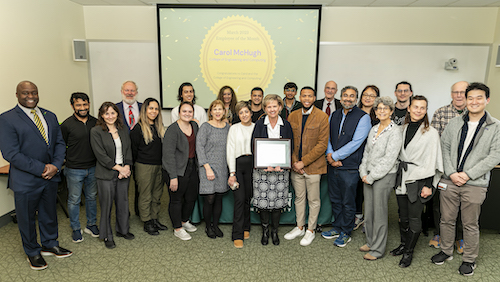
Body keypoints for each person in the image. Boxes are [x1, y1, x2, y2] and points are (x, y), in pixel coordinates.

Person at [0, 81, 72, 270]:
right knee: (27, 218)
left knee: (49, 213)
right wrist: (42, 168)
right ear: (17, 94)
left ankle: (50, 243)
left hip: (50, 177)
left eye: (34, 92)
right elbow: (11, 154)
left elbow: (58, 143)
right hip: (26, 179)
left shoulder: (49, 115)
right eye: (25, 93)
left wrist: (56, 166)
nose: (30, 96)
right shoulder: (7, 119)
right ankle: (32, 251)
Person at [431, 82, 500, 276]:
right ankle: (446, 251)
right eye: (471, 98)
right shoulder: (455, 122)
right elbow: (443, 148)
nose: (474, 101)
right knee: (446, 219)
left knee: (470, 223)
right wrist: (452, 172)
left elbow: (495, 155)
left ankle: (469, 259)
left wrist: (468, 174)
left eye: (479, 97)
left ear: (487, 100)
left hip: (475, 183)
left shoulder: (495, 126)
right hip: (449, 179)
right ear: (465, 100)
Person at [390, 95, 443, 268]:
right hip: (403, 177)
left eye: (422, 108)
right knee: (402, 216)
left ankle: (408, 252)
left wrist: (429, 185)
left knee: (414, 218)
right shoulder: (401, 129)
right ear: (409, 108)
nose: (418, 110)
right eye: (415, 107)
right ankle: (403, 244)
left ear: (426, 110)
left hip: (420, 179)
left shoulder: (431, 132)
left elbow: (433, 160)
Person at [321, 86, 371, 247]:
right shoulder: (334, 114)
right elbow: (327, 136)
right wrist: (330, 156)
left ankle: (346, 232)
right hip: (333, 166)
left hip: (349, 167)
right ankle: (337, 226)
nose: (348, 99)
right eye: (345, 95)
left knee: (348, 201)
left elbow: (357, 142)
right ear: (340, 97)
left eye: (352, 96)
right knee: (335, 199)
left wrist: (335, 156)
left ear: (356, 99)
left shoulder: (363, 117)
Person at [358, 96, 402, 260]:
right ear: (375, 112)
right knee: (368, 212)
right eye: (379, 109)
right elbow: (367, 153)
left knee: (380, 213)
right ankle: (370, 242)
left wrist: (372, 176)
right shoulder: (373, 128)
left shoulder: (395, 131)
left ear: (391, 111)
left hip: (383, 176)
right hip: (368, 175)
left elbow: (389, 159)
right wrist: (363, 171)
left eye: (385, 108)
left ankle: (377, 250)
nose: (381, 111)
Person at [284, 87, 329, 246]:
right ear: (300, 97)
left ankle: (310, 230)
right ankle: (300, 227)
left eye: (310, 96)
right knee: (299, 198)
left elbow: (322, 145)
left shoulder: (322, 117)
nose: (307, 98)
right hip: (296, 167)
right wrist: (296, 162)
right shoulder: (293, 115)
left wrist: (304, 162)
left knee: (314, 200)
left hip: (314, 167)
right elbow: (290, 140)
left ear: (314, 98)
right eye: (304, 95)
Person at [428, 81, 469, 252]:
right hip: (444, 169)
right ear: (451, 94)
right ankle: (439, 234)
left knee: (463, 207)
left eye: (463, 92)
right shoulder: (441, 112)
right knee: (440, 205)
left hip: (466, 170)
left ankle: (460, 237)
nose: (459, 95)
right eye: (456, 92)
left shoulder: (475, 114)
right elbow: (434, 142)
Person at [90, 102, 135, 249]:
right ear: (102, 115)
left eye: (113, 113)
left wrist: (126, 166)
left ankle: (123, 230)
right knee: (107, 205)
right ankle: (107, 235)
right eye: (106, 113)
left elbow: (128, 149)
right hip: (106, 174)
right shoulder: (96, 131)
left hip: (123, 173)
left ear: (117, 114)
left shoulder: (122, 129)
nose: (110, 116)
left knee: (123, 203)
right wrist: (119, 169)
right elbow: (100, 155)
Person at [252, 94, 293, 246]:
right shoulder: (259, 124)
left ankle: (275, 231)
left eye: (275, 106)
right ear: (265, 108)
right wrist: (263, 165)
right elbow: (254, 146)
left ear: (280, 107)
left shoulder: (286, 125)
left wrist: (282, 164)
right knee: (263, 203)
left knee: (278, 203)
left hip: (281, 171)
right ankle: (265, 231)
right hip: (263, 171)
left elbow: (290, 146)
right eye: (269, 107)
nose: (272, 109)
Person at [60, 92, 99, 243]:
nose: (82, 108)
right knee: (74, 200)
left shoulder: (96, 122)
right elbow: (61, 146)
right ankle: (76, 228)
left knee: (91, 197)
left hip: (93, 167)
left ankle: (91, 225)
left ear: (89, 104)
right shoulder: (66, 125)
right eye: (78, 105)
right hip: (74, 169)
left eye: (85, 104)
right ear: (72, 106)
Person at [163, 102, 199, 241]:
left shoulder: (195, 126)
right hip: (176, 169)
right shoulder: (173, 130)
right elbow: (168, 155)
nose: (187, 114)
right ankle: (177, 228)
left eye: (190, 111)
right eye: (184, 111)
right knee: (176, 199)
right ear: (179, 113)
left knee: (191, 197)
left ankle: (184, 221)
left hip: (191, 167)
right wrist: (173, 177)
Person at [130, 98, 167, 236]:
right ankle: (146, 221)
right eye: (151, 108)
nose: (154, 111)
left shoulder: (159, 126)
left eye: (156, 109)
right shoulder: (138, 128)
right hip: (144, 166)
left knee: (157, 195)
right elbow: (133, 150)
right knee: (146, 195)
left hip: (159, 165)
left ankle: (154, 218)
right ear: (145, 110)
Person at [197, 100, 230, 239]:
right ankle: (208, 226)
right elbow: (199, 147)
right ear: (210, 112)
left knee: (218, 198)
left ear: (224, 111)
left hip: (222, 167)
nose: (217, 112)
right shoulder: (205, 127)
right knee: (209, 198)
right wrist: (207, 167)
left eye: (220, 109)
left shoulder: (228, 127)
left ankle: (215, 225)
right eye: (214, 109)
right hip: (208, 167)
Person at [227, 101, 255, 248]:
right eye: (241, 113)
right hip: (238, 166)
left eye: (246, 112)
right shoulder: (234, 129)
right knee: (239, 199)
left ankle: (245, 227)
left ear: (251, 113)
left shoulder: (257, 127)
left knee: (247, 198)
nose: (244, 115)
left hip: (253, 166)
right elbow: (230, 151)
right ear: (238, 115)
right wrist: (232, 173)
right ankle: (237, 234)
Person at [354, 85, 381, 232]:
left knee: (370, 188)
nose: (368, 97)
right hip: (354, 156)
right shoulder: (354, 113)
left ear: (377, 98)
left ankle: (370, 219)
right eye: (365, 94)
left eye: (372, 95)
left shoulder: (379, 116)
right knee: (357, 188)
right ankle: (358, 215)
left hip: (372, 158)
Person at [115, 81, 142, 217]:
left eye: (132, 90)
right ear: (122, 91)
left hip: (140, 153)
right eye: (127, 90)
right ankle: (124, 212)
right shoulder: (114, 109)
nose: (130, 93)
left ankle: (139, 210)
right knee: (122, 185)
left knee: (140, 184)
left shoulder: (144, 108)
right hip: (122, 154)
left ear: (136, 92)